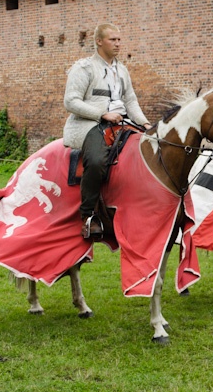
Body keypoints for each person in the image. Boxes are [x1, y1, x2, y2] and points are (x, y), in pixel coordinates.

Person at [64, 22, 151, 239]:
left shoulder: (122, 70)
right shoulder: (84, 68)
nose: (118, 44)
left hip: (122, 123)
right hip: (90, 124)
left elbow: (130, 100)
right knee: (95, 161)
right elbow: (71, 101)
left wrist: (147, 124)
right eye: (113, 40)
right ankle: (88, 216)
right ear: (99, 41)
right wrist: (101, 114)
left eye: (119, 39)